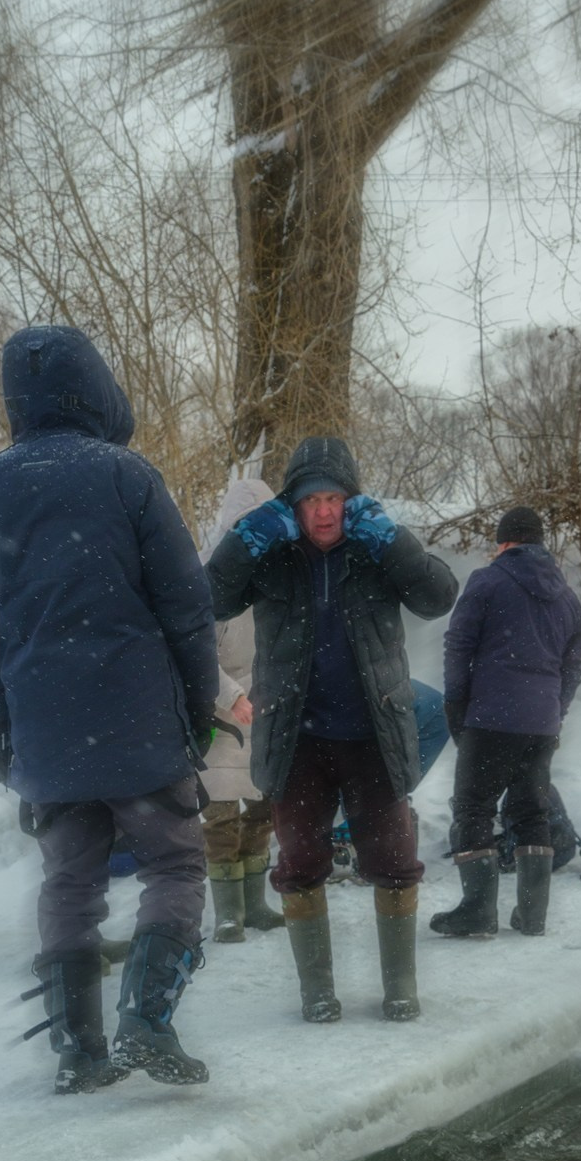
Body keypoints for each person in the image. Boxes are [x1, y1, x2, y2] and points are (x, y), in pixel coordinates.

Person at [0, 323, 218, 1090]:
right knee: (173, 860)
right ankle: (147, 1019)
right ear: (96, 389)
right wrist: (197, 707)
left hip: (44, 729)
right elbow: (187, 608)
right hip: (136, 719)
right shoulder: (127, 477)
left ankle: (78, 1052)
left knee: (69, 881)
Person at [206, 435, 458, 1023]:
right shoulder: (271, 557)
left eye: (335, 497)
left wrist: (392, 539)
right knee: (299, 864)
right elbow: (207, 598)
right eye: (310, 498)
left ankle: (400, 987)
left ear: (353, 502)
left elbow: (438, 595)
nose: (323, 510)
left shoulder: (374, 552)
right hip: (298, 740)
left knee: (395, 861)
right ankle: (316, 991)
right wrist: (246, 538)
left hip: (373, 734)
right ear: (291, 505)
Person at [433, 504, 581, 942]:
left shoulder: (488, 581)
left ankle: (478, 911)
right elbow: (573, 667)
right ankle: (532, 915)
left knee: (473, 807)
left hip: (490, 717)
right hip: (541, 725)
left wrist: (456, 704)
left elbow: (457, 646)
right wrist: (554, 710)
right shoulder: (568, 599)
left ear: (503, 542)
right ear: (540, 544)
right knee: (530, 811)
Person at [197, 472, 284, 944]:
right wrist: (231, 695)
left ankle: (256, 905)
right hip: (222, 720)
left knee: (263, 810)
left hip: (270, 714)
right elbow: (194, 655)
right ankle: (228, 914)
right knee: (222, 815)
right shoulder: (209, 579)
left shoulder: (280, 578)